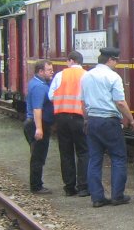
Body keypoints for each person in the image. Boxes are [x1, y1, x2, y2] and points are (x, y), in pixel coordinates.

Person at [81, 47, 134, 208]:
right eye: (116, 60)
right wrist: (130, 119)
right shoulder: (113, 77)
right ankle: (117, 195)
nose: (117, 63)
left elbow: (82, 103)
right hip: (109, 121)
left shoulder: (87, 76)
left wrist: (86, 119)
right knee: (118, 157)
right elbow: (120, 102)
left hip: (92, 120)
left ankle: (97, 198)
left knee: (94, 159)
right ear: (110, 59)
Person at [49, 50, 89, 197]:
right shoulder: (86, 75)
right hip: (79, 118)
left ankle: (69, 187)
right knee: (83, 152)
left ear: (70, 61)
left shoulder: (60, 75)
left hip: (62, 118)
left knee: (66, 152)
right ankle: (84, 187)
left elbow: (51, 95)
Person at [23, 60, 55, 194]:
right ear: (41, 71)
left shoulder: (37, 83)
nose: (52, 72)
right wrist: (39, 128)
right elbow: (37, 109)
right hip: (37, 123)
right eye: (49, 70)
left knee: (38, 155)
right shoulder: (39, 87)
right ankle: (36, 186)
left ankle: (37, 183)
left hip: (36, 123)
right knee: (38, 156)